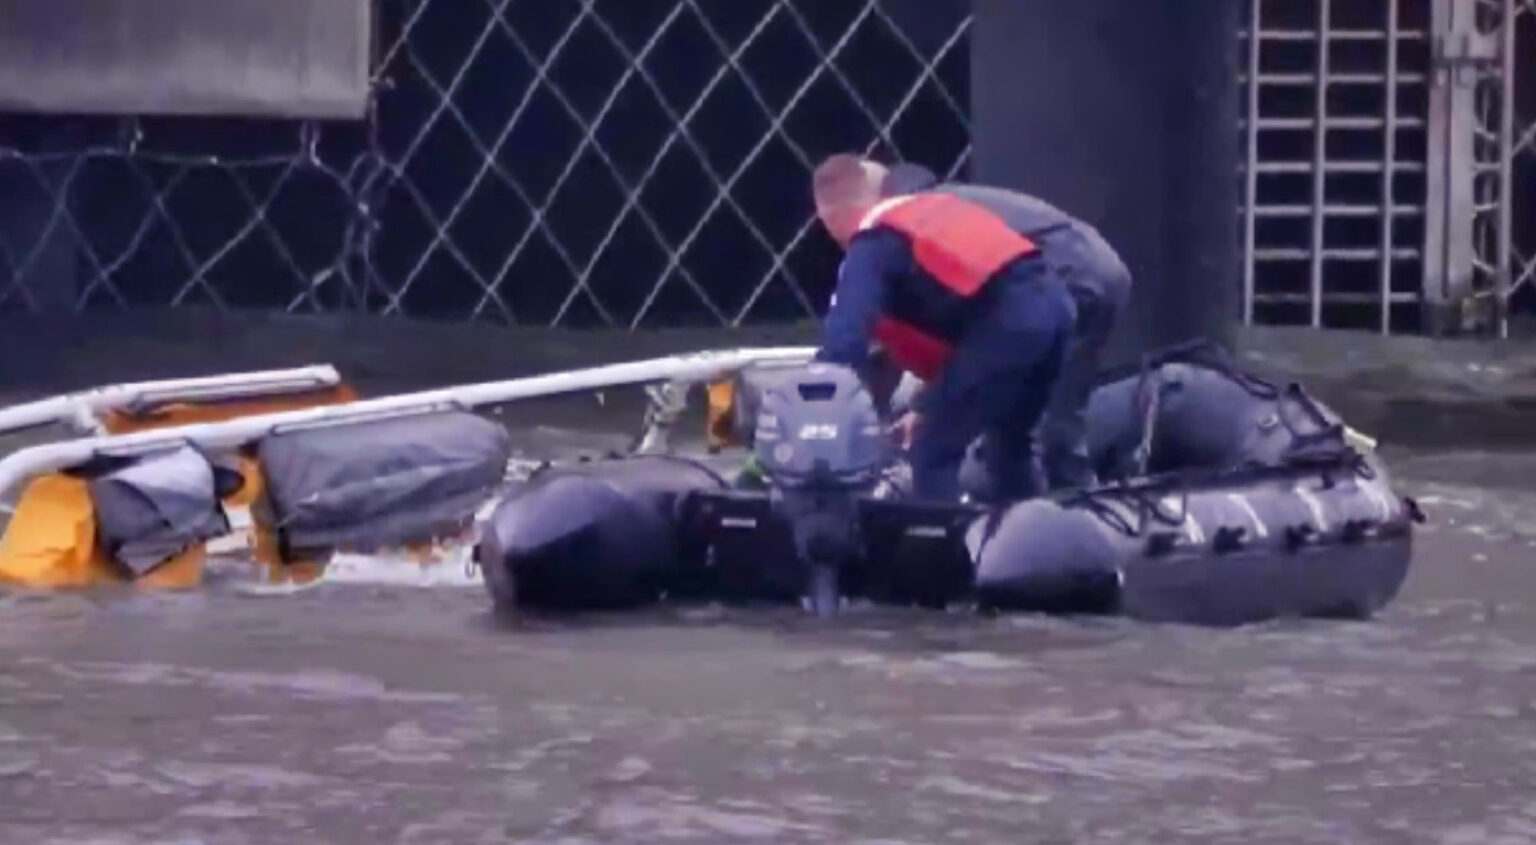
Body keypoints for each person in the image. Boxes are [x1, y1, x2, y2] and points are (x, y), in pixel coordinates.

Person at [813, 154, 1132, 501]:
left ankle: (958, 532)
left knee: (942, 448)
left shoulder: (888, 229)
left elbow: (851, 335)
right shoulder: (947, 206)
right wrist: (928, 403)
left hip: (1065, 284)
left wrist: (815, 403)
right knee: (1014, 438)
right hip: (1063, 294)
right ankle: (1050, 519)